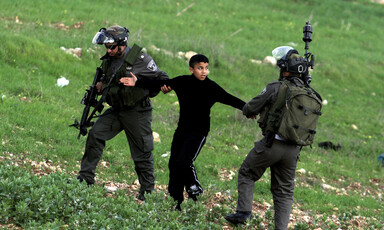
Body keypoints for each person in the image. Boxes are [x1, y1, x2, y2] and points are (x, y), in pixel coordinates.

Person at [120, 54, 246, 210]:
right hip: (182, 130)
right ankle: (176, 202)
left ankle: (194, 189)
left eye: (206, 68)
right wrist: (137, 81)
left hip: (199, 133)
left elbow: (230, 98)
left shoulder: (211, 87)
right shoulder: (183, 82)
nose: (204, 71)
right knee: (173, 165)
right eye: (200, 68)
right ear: (191, 69)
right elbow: (159, 82)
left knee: (184, 162)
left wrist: (248, 109)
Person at [225, 46, 320, 229]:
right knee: (284, 192)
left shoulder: (276, 87)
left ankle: (243, 212)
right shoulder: (309, 93)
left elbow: (249, 108)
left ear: (285, 69)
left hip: (272, 144)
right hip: (294, 150)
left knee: (247, 172)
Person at [77, 25, 170, 201]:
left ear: (123, 44)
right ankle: (85, 178)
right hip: (117, 109)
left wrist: (149, 82)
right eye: (107, 47)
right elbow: (108, 78)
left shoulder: (139, 58)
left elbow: (161, 76)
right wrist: (100, 86)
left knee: (142, 151)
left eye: (112, 47)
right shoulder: (109, 59)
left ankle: (148, 192)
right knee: (95, 134)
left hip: (137, 111)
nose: (109, 50)